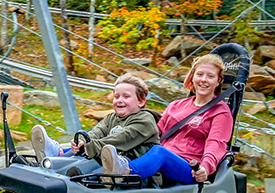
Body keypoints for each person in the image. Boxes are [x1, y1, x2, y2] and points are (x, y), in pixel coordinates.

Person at [101, 54, 233, 185]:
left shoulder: (220, 111)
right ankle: (94, 178)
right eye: (199, 74)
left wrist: (206, 167)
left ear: (218, 81)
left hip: (190, 169)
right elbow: (154, 133)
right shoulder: (176, 105)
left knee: (160, 152)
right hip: (160, 159)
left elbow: (216, 144)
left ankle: (124, 173)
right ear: (192, 77)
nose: (204, 80)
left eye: (210, 76)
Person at [30, 73, 160, 164]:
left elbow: (122, 139)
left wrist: (92, 146)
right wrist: (81, 141)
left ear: (141, 101)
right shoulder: (112, 117)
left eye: (126, 97)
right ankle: (56, 155)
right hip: (106, 159)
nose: (119, 101)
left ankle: (57, 158)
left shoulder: (145, 121)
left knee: (83, 164)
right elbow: (97, 131)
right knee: (84, 155)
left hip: (132, 169)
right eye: (116, 96)